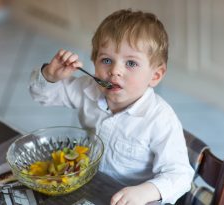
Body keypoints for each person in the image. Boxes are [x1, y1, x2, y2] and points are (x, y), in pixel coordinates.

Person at [29, 9, 194, 205]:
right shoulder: (87, 89)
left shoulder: (160, 119)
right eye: (106, 60)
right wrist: (50, 76)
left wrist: (145, 192)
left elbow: (181, 175)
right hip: (90, 187)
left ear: (155, 76)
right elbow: (42, 95)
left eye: (131, 63)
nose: (115, 71)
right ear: (94, 63)